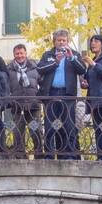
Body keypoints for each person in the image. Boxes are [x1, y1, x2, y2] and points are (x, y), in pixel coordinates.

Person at [34, 28, 87, 160]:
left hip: (68, 94)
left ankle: (67, 155)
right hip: (51, 94)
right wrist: (55, 62)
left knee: (68, 125)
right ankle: (49, 155)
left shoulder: (73, 54)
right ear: (54, 42)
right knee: (50, 125)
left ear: (68, 41)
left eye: (64, 40)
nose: (61, 43)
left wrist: (72, 58)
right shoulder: (48, 55)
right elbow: (39, 69)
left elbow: (82, 69)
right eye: (59, 40)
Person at [6, 43, 41, 157]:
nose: (20, 56)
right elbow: (6, 86)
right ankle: (20, 156)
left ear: (26, 54)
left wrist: (39, 97)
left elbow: (43, 83)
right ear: (14, 55)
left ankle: (39, 154)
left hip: (33, 105)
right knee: (17, 132)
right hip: (17, 106)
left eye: (22, 53)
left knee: (35, 131)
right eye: (17, 53)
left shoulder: (35, 67)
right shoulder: (9, 69)